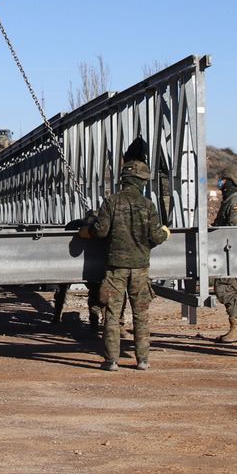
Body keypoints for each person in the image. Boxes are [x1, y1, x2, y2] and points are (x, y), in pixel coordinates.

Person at [85, 158, 171, 371]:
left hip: (116, 268)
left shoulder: (111, 202)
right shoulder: (147, 205)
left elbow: (101, 231)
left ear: (124, 179)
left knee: (112, 315)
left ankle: (112, 361)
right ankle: (142, 360)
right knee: (141, 315)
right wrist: (165, 233)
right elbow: (156, 236)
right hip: (140, 268)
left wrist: (89, 227)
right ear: (141, 181)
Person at [210, 168, 237, 344]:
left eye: (223, 180)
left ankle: (236, 326)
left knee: (226, 289)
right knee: (223, 288)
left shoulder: (235, 203)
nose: (220, 182)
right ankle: (235, 325)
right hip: (224, 253)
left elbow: (234, 230)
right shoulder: (228, 201)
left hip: (231, 254)